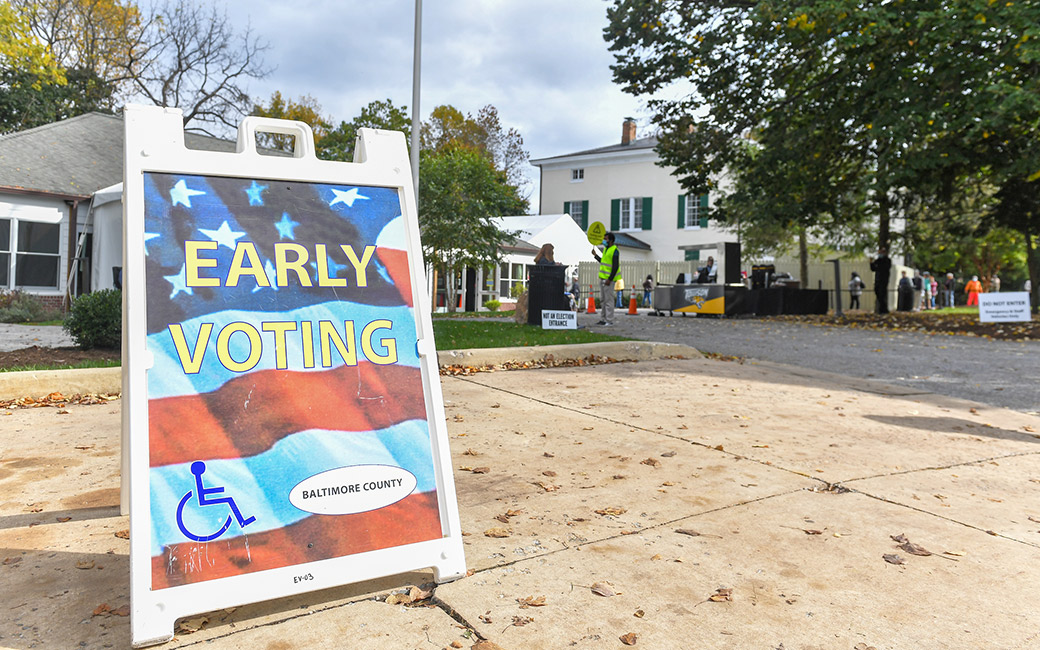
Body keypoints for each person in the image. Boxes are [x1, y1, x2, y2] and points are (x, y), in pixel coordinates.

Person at [592, 232, 619, 325]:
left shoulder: (614, 250)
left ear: (611, 240)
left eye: (606, 239)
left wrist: (610, 279)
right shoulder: (606, 250)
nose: (604, 241)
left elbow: (615, 266)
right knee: (603, 300)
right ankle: (603, 319)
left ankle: (609, 320)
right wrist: (596, 256)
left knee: (609, 301)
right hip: (603, 279)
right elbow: (603, 262)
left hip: (609, 280)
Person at [870, 247, 892, 314]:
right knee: (877, 293)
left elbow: (884, 268)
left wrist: (877, 266)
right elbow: (873, 269)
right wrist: (871, 263)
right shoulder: (878, 260)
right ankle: (883, 309)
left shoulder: (887, 260)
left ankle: (883, 310)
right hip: (877, 279)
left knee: (882, 294)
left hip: (884, 279)